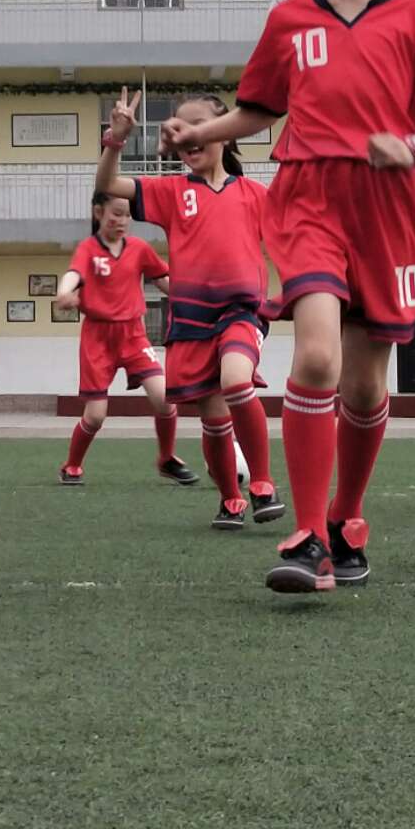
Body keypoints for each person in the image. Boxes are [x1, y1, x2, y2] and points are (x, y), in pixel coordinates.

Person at [162, 0, 415, 592]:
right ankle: (306, 538)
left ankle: (345, 519)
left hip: (388, 203)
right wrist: (202, 134)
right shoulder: (288, 20)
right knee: (315, 359)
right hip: (306, 195)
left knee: (364, 387)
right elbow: (261, 108)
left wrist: (412, 148)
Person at [93, 86, 280, 527]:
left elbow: (292, 241)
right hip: (191, 320)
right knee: (213, 416)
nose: (189, 134)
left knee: (237, 382)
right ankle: (231, 499)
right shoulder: (171, 191)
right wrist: (116, 139)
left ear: (226, 134)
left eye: (200, 125)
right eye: (182, 126)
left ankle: (263, 484)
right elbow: (106, 186)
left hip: (241, 311)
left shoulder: (255, 194)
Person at [54, 191, 191, 488]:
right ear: (98, 212)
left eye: (127, 215)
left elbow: (163, 279)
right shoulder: (88, 249)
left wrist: (192, 299)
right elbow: (73, 275)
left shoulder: (140, 248)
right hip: (98, 338)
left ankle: (167, 458)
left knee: (165, 399)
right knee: (96, 416)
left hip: (133, 334)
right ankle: (72, 465)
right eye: (116, 213)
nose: (122, 221)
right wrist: (64, 293)